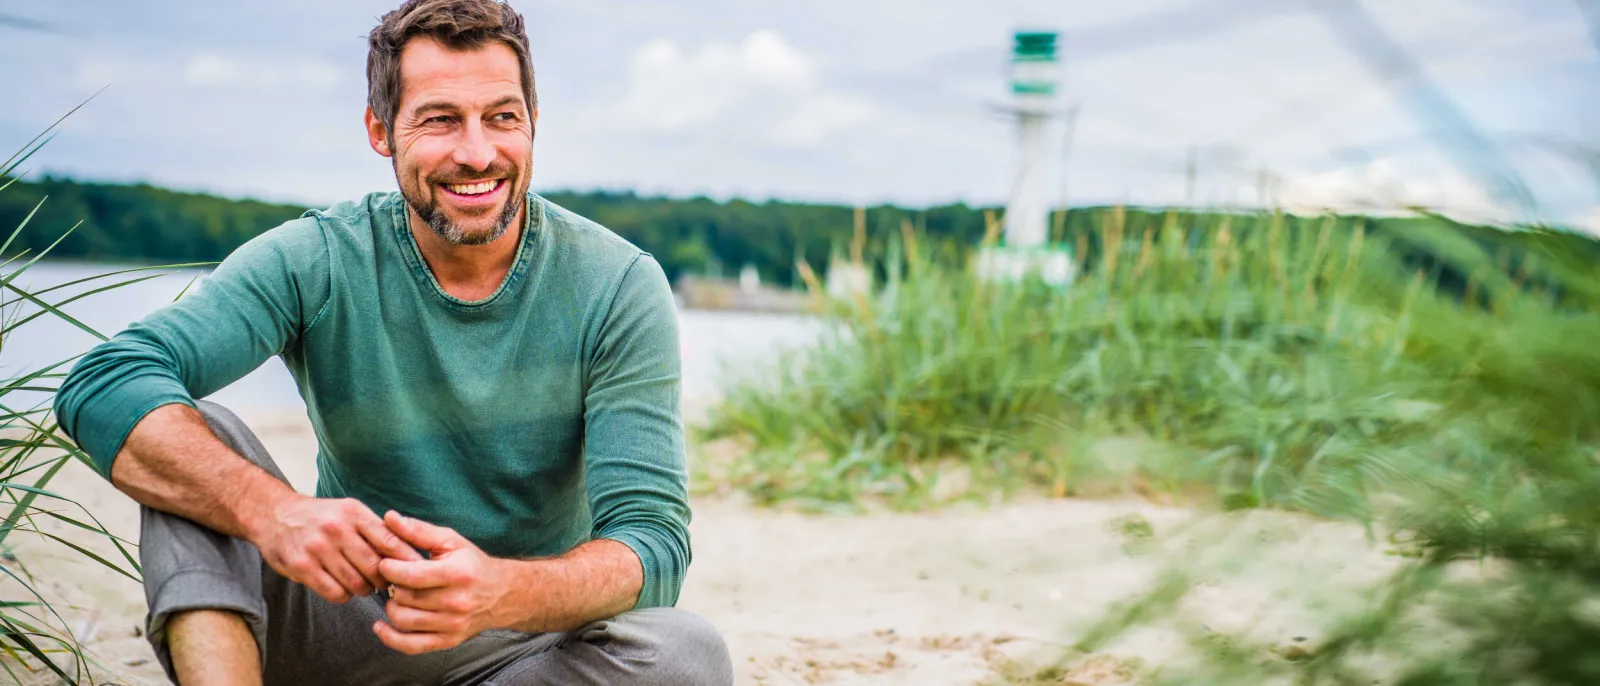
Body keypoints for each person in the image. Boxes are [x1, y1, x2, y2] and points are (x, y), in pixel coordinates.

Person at [53, 1, 733, 683]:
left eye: (502, 117)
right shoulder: (317, 258)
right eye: (440, 119)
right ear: (382, 130)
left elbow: (652, 545)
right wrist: (273, 511)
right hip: (336, 625)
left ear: (532, 123)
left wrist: (498, 589)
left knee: (684, 655)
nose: (477, 152)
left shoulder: (617, 284)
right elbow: (106, 382)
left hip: (522, 651)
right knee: (200, 439)